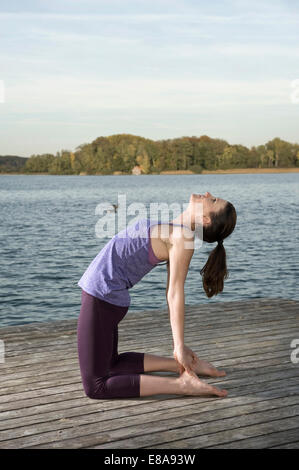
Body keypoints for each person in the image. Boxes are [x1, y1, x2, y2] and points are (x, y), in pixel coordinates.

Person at [77, 192, 237, 399]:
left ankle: (183, 385)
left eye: (213, 200)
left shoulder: (183, 237)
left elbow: (175, 291)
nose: (208, 195)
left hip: (102, 297)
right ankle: (185, 367)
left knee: (96, 386)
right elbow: (171, 291)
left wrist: (178, 344)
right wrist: (180, 354)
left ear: (204, 219)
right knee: (112, 365)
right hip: (104, 296)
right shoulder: (176, 229)